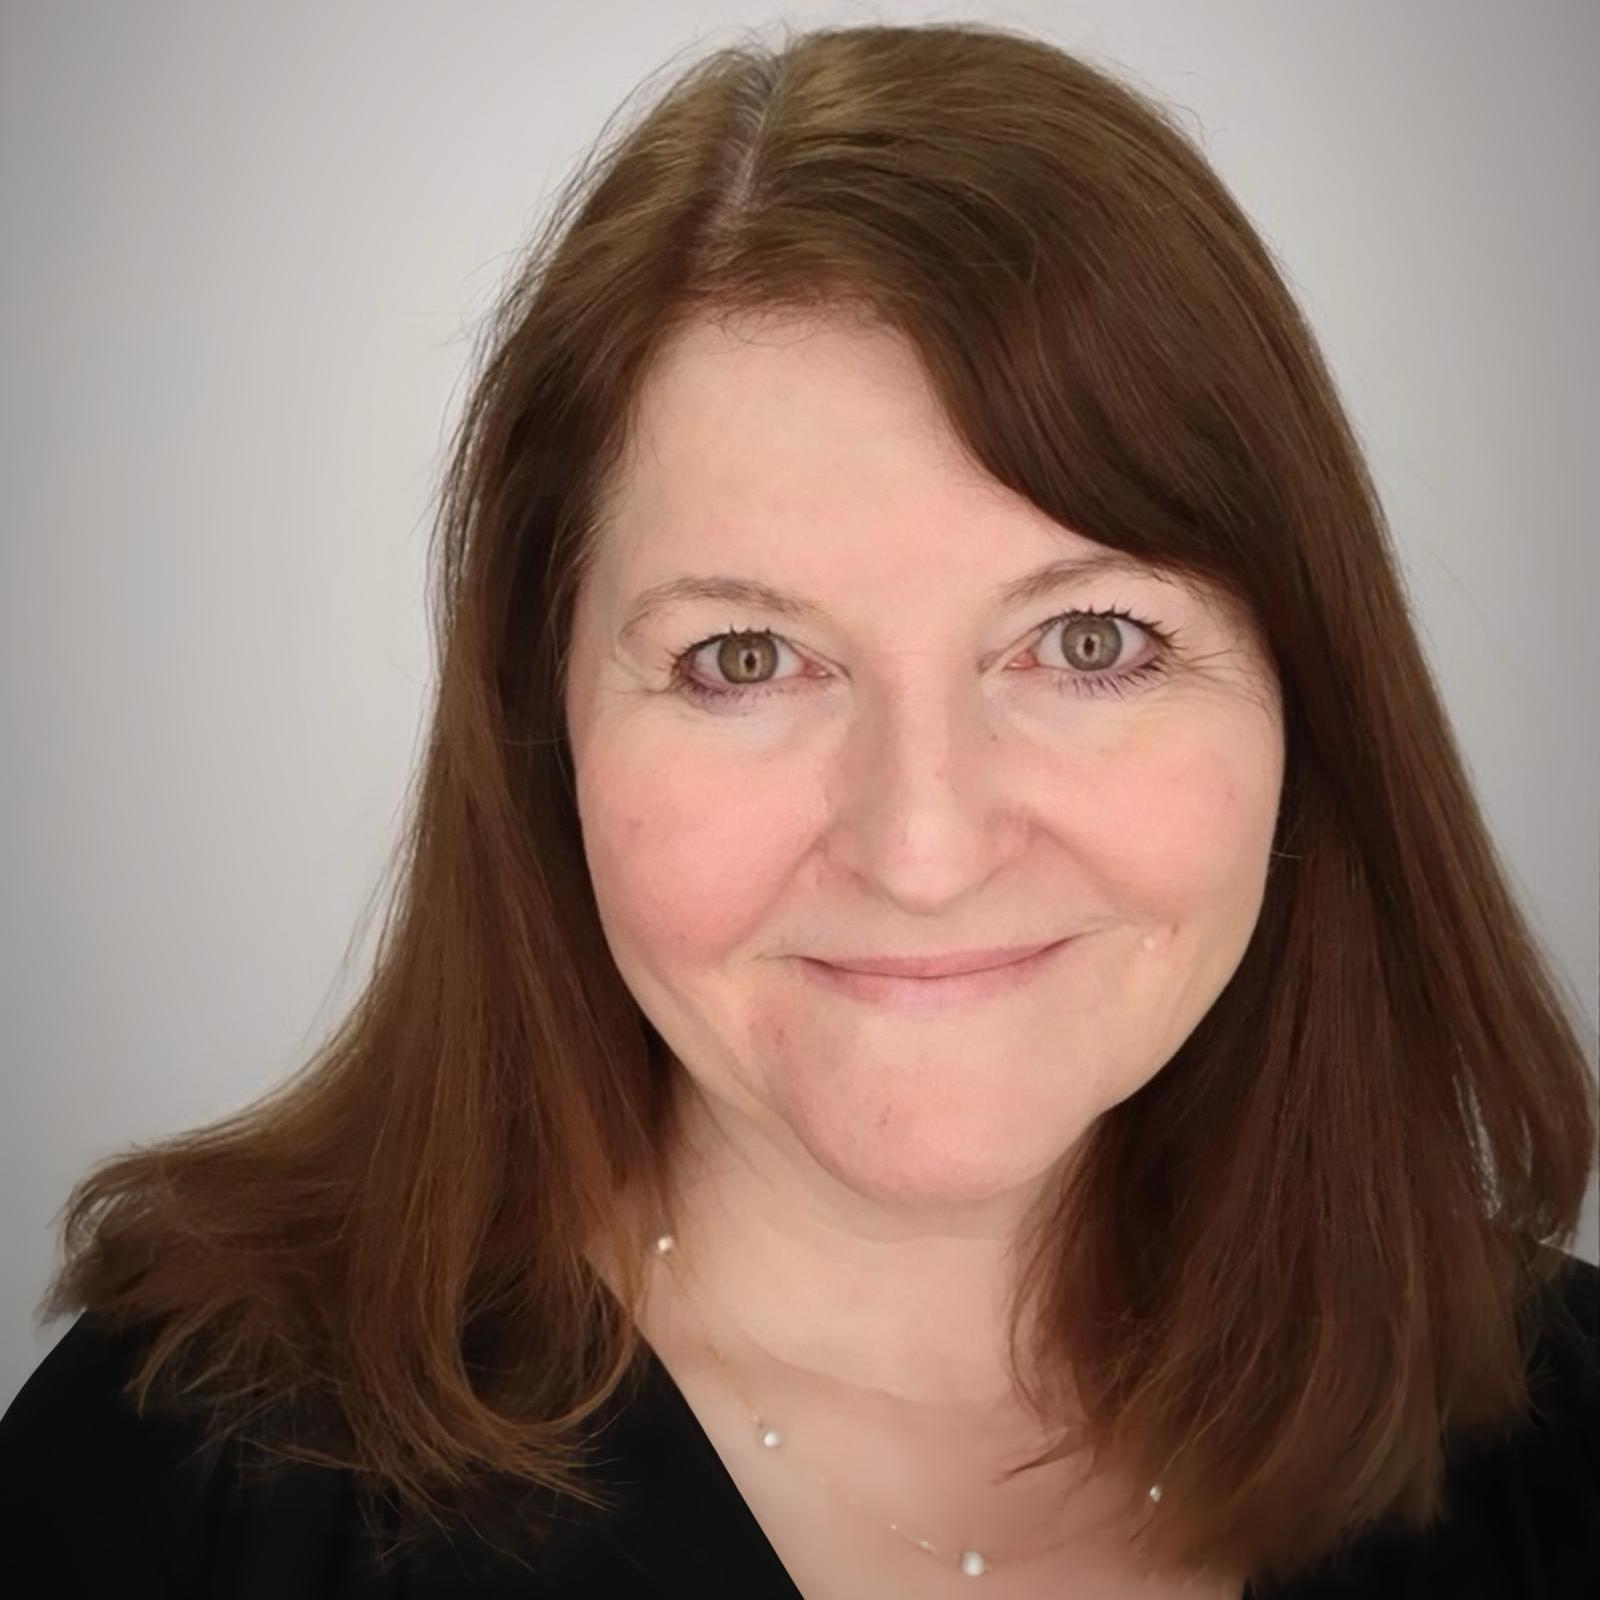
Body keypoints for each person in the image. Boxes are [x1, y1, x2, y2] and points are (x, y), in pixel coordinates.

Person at [2, 17, 1596, 1600]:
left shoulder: (1566, 1450)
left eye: (1089, 642)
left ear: (1308, 697)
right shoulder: (181, 1497)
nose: (923, 848)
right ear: (538, 727)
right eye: (746, 658)